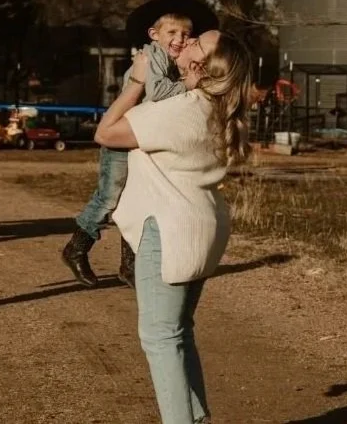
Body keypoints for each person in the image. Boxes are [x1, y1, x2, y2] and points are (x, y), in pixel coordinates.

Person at [94, 30, 254, 424]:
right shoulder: (214, 109)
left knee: (160, 337)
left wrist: (135, 80)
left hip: (169, 230)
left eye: (198, 42)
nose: (189, 40)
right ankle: (194, 419)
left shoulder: (183, 109)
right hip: (202, 228)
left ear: (205, 66)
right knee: (178, 332)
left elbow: (105, 133)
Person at [62, 0, 217, 288]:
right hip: (122, 137)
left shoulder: (169, 62)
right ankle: (77, 246)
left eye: (185, 34)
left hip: (140, 140)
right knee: (109, 196)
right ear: (153, 34)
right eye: (172, 33)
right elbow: (158, 93)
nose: (180, 39)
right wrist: (188, 84)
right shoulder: (151, 58)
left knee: (137, 200)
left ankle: (129, 266)